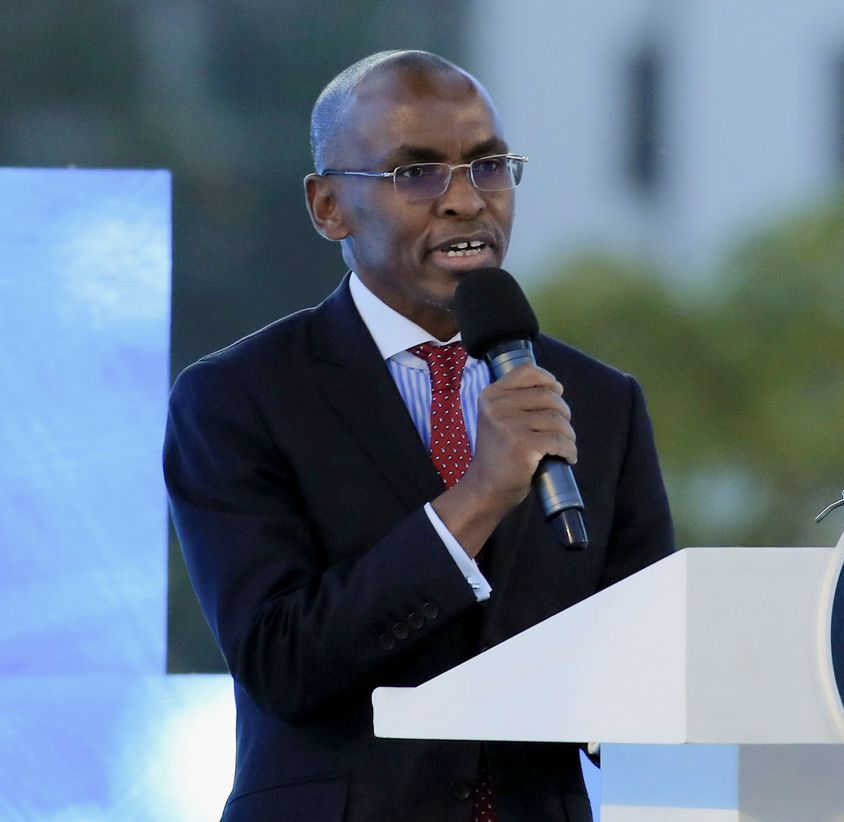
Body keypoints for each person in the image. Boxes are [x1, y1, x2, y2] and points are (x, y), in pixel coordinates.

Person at [163, 50, 674, 822]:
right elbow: (282, 662)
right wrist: (479, 496)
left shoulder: (599, 402)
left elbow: (647, 663)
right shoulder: (238, 397)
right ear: (328, 205)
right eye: (417, 173)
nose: (466, 200)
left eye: (489, 166)